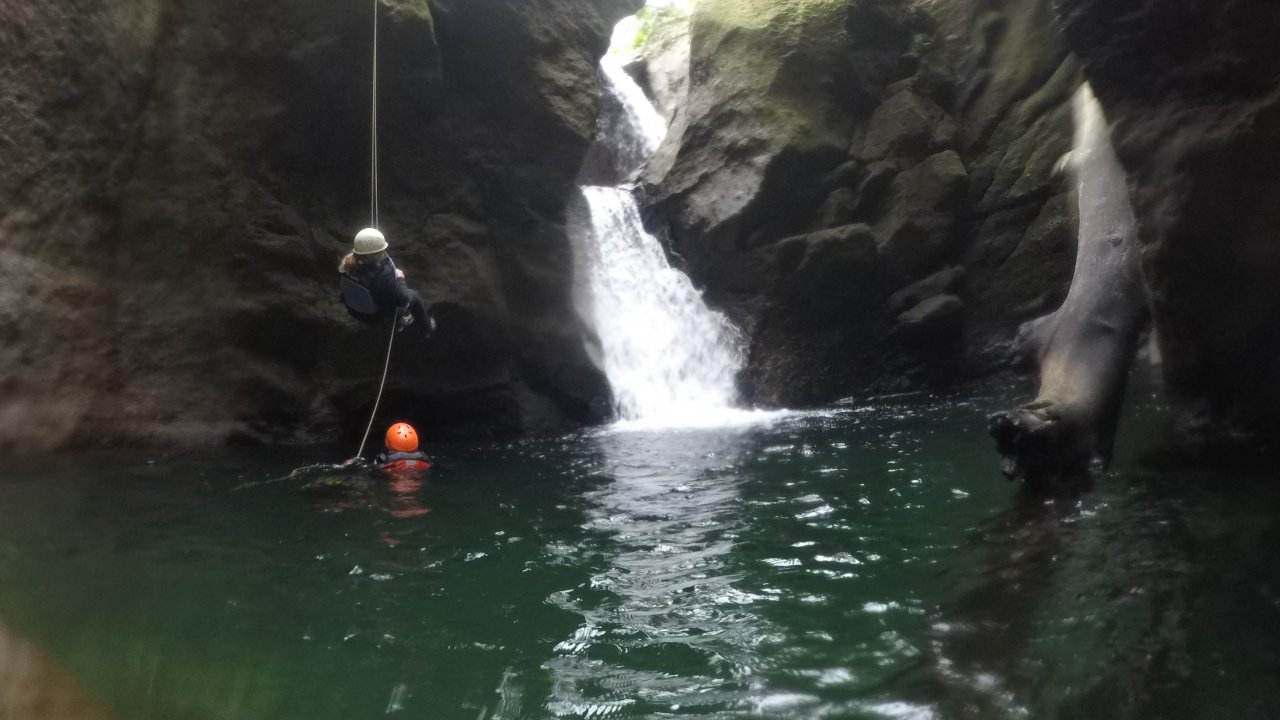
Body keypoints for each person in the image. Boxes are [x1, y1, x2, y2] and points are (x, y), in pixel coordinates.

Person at [338, 227, 434, 333]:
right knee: (414, 295)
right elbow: (403, 299)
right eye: (380, 251)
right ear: (374, 254)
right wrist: (400, 279)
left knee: (383, 294)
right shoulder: (383, 275)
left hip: (356, 312)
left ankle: (394, 321)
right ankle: (426, 327)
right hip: (377, 317)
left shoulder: (347, 265)